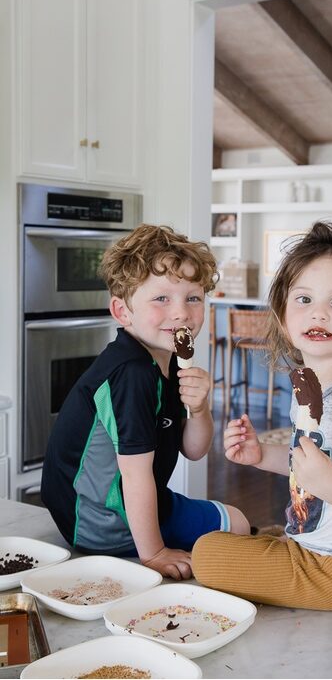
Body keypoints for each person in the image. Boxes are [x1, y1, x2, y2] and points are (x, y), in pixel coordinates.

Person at [192, 221, 332, 611]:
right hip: (317, 549)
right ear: (283, 318)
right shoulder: (308, 386)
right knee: (253, 535)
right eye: (304, 300)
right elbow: (305, 465)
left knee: (206, 553)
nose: (319, 313)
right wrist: (260, 456)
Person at [42, 224, 250, 580]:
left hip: (131, 502)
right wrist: (154, 553)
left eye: (193, 298)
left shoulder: (164, 360)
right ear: (123, 312)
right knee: (237, 528)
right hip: (99, 519)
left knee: (237, 523)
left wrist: (199, 409)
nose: (181, 313)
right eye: (162, 299)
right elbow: (134, 476)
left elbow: (194, 450)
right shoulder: (132, 373)